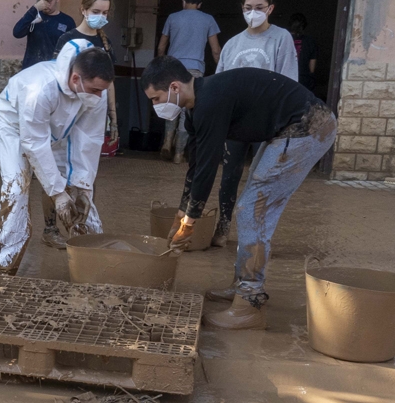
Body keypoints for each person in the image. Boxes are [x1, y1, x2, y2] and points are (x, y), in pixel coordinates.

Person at [143, 56, 337, 330]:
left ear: (174, 87)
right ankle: (241, 285)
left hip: (310, 126)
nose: (156, 106)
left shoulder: (210, 101)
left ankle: (250, 302)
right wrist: (181, 214)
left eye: (156, 98)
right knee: (252, 204)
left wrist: (190, 222)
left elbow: (209, 167)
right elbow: (196, 164)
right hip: (287, 128)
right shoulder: (194, 108)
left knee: (252, 209)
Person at [0, 43, 114, 273]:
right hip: (14, 127)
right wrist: (57, 193)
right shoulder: (39, 88)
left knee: (79, 193)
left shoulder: (96, 91)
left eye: (102, 91)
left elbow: (89, 139)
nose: (99, 95)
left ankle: (94, 262)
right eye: (95, 90)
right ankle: (2, 266)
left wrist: (83, 187)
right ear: (76, 79)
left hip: (57, 131)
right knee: (16, 187)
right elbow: (34, 143)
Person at [191, 0, 299, 249]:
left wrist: (283, 120)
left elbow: (288, 80)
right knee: (230, 174)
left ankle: (256, 234)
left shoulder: (281, 38)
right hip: (236, 122)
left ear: (270, 9)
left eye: (259, 8)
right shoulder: (232, 44)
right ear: (242, 9)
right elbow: (219, 84)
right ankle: (224, 227)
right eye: (248, 8)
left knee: (264, 178)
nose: (253, 13)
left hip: (268, 121)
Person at [156, 0, 221, 162]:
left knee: (171, 104)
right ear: (199, 5)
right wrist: (221, 69)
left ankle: (167, 142)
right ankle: (178, 153)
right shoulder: (208, 20)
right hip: (195, 69)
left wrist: (162, 65)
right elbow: (215, 50)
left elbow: (162, 46)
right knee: (187, 110)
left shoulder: (172, 18)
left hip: (173, 68)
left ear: (183, 2)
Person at [56, 0, 120, 157]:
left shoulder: (105, 43)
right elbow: (58, 78)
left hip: (95, 114)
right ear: (83, 10)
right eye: (96, 11)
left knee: (88, 163)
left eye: (105, 13)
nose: (101, 16)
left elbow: (109, 83)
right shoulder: (67, 39)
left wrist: (113, 118)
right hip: (69, 110)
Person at [12, 0, 75, 70]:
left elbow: (71, 50)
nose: (45, 3)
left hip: (53, 71)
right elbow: (17, 32)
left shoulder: (67, 21)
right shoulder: (34, 16)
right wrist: (34, 9)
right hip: (31, 70)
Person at [290, 12, 319, 96]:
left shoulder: (284, 38)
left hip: (286, 77)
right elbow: (312, 68)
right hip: (304, 79)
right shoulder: (310, 41)